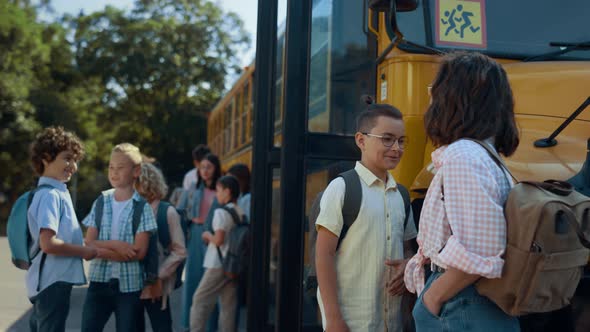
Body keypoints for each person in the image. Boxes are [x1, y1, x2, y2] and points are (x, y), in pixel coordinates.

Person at [404, 52, 520, 331]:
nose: (431, 97)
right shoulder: (486, 154)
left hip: (460, 304)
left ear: (453, 98)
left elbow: (481, 250)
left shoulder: (463, 155)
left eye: (436, 90)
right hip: (477, 301)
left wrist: (432, 299)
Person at [315, 101, 418, 332]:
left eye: (401, 141)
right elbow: (323, 255)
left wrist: (408, 264)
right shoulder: (341, 188)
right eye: (387, 139)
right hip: (351, 323)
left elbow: (408, 249)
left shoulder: (401, 195)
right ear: (361, 140)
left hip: (392, 324)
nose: (397, 148)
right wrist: (333, 319)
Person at [81, 143, 158, 332]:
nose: (114, 172)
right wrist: (118, 246)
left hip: (129, 288)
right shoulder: (100, 202)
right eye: (111, 167)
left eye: (120, 167)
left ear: (136, 171)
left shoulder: (142, 208)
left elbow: (138, 253)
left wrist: (99, 249)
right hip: (98, 283)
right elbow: (88, 245)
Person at [26, 126, 97, 332]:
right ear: (46, 158)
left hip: (50, 280)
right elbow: (48, 243)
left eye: (75, 160)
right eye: (67, 158)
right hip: (52, 281)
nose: (73, 166)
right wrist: (84, 251)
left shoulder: (54, 192)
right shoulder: (50, 196)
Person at [135, 162, 187, 332]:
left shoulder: (167, 212)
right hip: (130, 283)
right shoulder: (129, 208)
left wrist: (158, 276)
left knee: (161, 326)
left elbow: (179, 252)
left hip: (155, 285)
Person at [190, 175, 244, 332]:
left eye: (219, 191)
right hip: (233, 264)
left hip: (217, 264)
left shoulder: (220, 212)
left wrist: (207, 235)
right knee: (228, 307)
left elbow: (219, 239)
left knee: (199, 300)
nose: (216, 194)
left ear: (227, 191)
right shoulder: (240, 211)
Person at [178, 153, 222, 330]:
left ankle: (211, 326)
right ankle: (190, 324)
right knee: (192, 280)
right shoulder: (192, 190)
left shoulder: (222, 190)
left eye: (208, 167)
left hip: (214, 235)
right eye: (202, 167)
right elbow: (179, 213)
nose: (204, 171)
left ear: (216, 168)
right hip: (195, 234)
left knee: (211, 282)